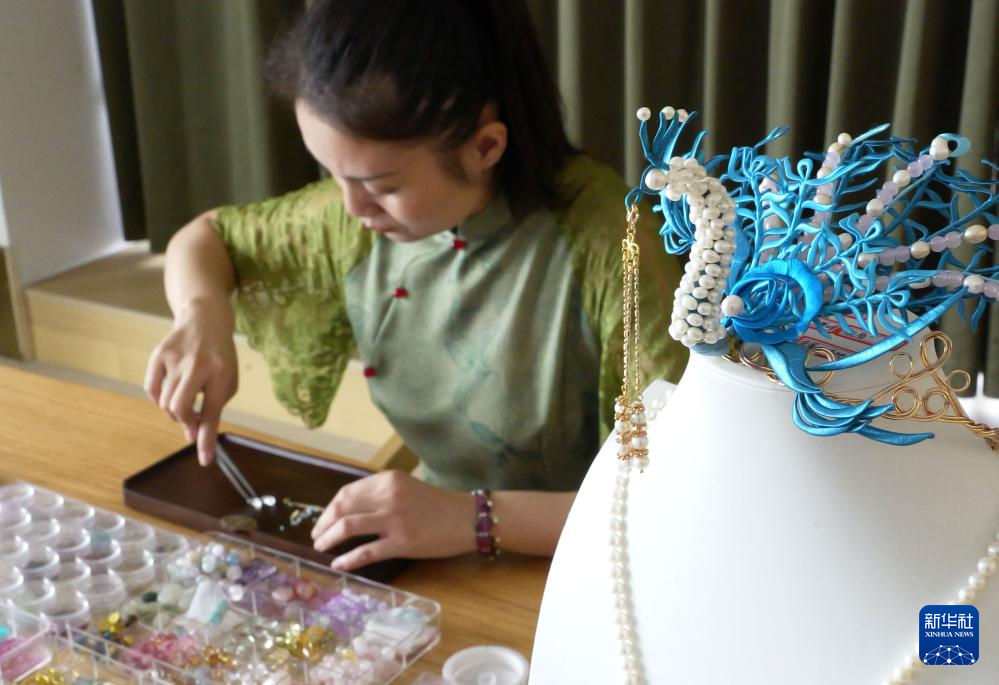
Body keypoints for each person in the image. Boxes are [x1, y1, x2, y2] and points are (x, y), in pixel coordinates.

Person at [144, 0, 686, 572]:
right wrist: (201, 315)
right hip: (432, 539)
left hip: (591, 563)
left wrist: (473, 519)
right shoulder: (357, 220)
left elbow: (673, 497)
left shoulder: (615, 245)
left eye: (380, 185)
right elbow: (208, 239)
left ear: (484, 147)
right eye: (334, 175)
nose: (353, 208)